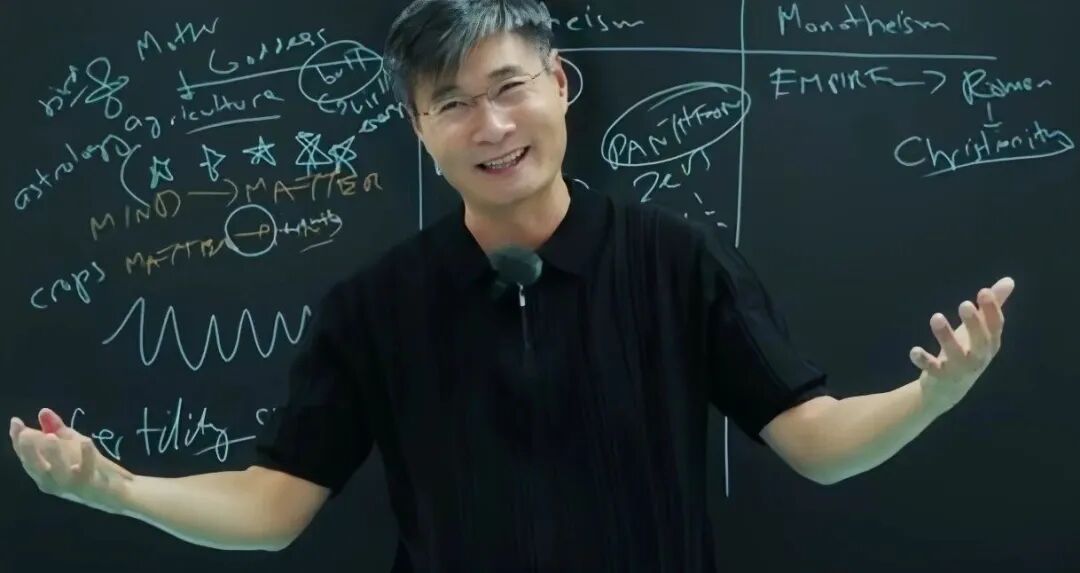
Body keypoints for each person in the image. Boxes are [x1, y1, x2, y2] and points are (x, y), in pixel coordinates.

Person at [8, 0, 1014, 570]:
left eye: (508, 88)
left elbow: (818, 445)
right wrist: (119, 489)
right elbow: (272, 508)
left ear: (559, 85)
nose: (490, 127)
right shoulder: (372, 308)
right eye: (451, 104)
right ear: (418, 127)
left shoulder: (676, 261)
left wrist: (932, 394)